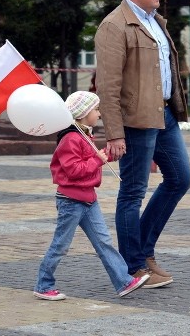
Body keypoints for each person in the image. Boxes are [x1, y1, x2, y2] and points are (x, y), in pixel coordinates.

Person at [94, 0, 190, 289]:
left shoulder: (156, 21)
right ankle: (133, 266)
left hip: (163, 115)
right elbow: (108, 86)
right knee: (132, 192)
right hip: (135, 120)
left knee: (180, 178)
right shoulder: (114, 26)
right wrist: (114, 133)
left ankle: (144, 250)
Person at [34, 91, 149, 301]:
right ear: (84, 113)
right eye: (96, 110)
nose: (99, 113)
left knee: (104, 242)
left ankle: (123, 281)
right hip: (71, 202)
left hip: (88, 199)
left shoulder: (83, 135)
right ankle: (43, 285)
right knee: (60, 245)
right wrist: (98, 159)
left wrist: (106, 155)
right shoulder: (70, 138)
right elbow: (74, 170)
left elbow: (89, 162)